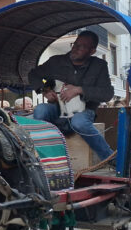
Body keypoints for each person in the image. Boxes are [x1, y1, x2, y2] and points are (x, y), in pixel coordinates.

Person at [28, 30, 114, 161]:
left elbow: (107, 93)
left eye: (82, 46)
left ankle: (110, 158)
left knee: (79, 122)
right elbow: (34, 74)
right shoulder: (55, 61)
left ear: (92, 51)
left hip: (85, 111)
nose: (76, 48)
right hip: (57, 108)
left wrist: (80, 89)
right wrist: (45, 90)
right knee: (40, 109)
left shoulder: (99, 65)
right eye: (75, 44)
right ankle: (44, 157)